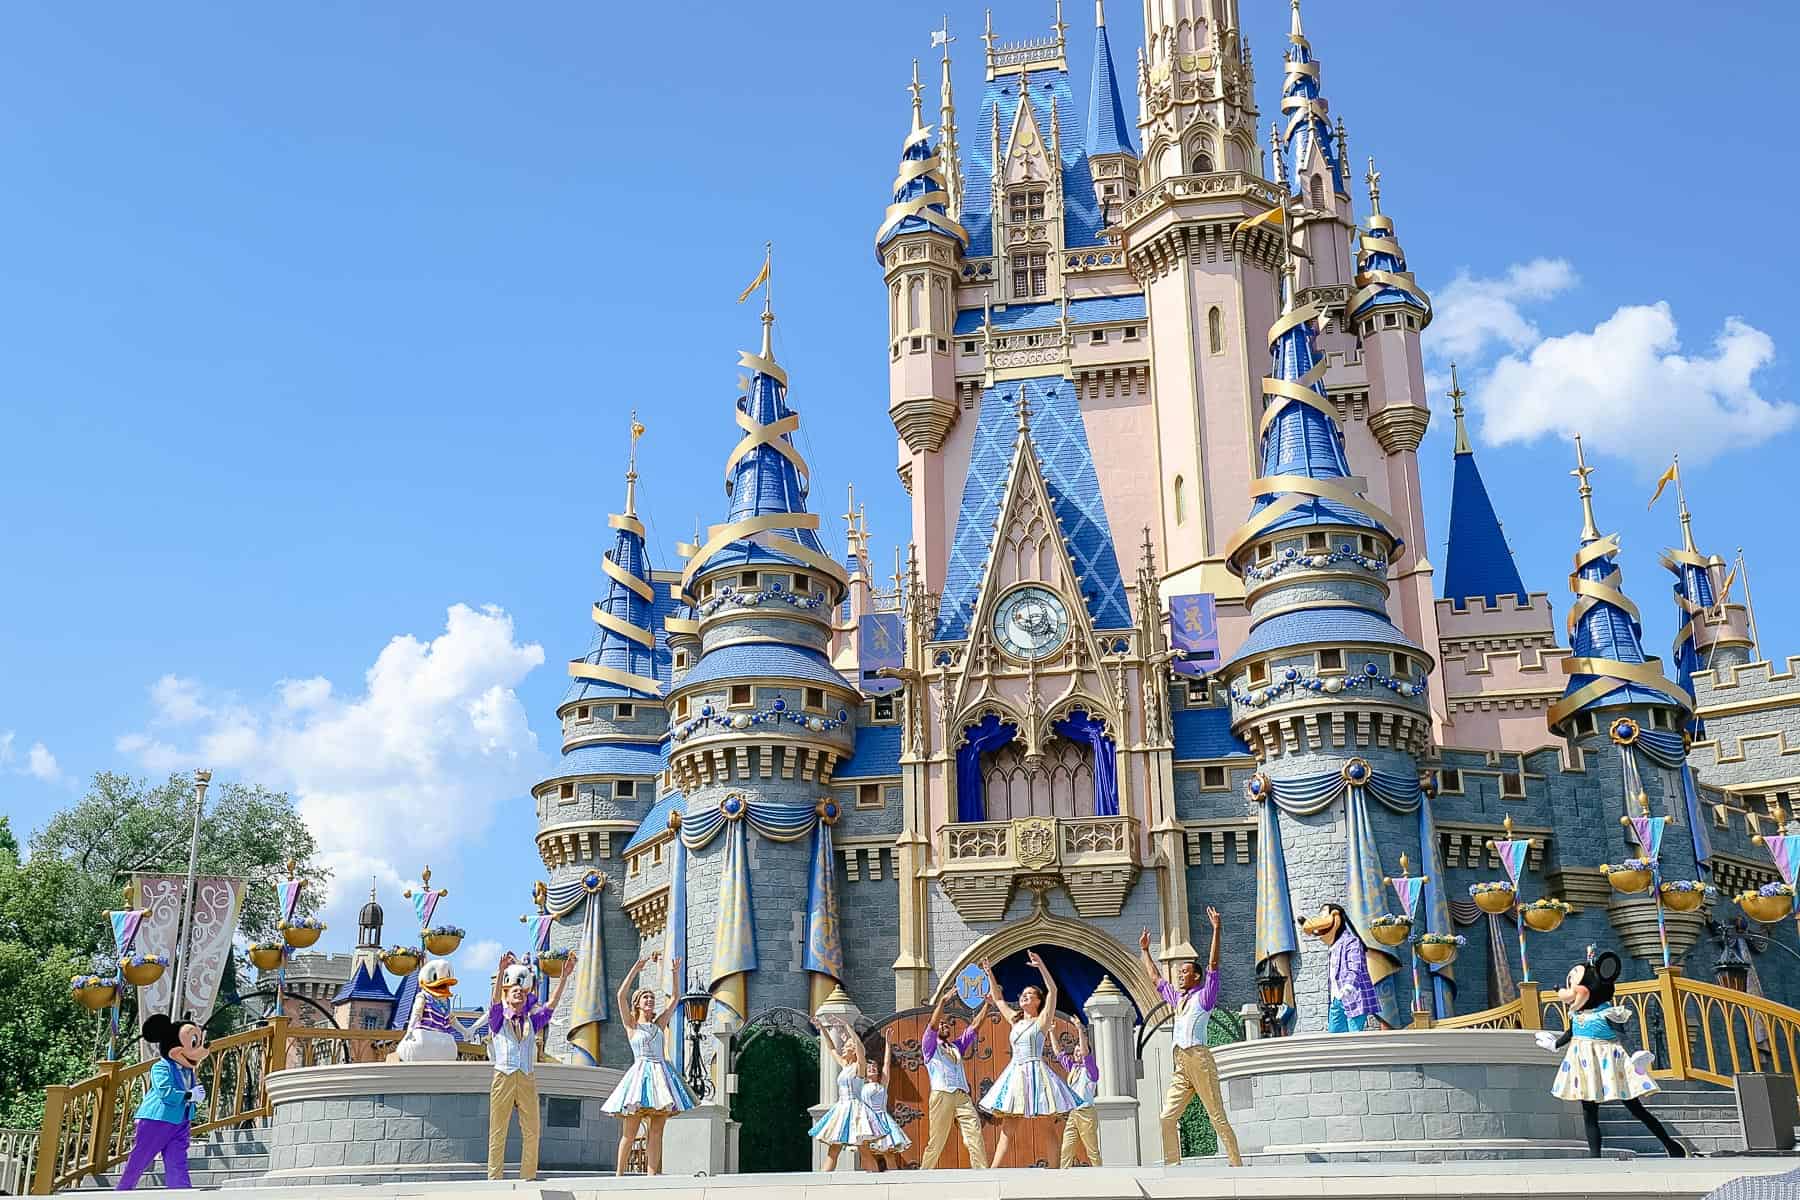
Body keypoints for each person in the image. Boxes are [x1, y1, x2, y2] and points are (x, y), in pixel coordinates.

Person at [1536, 950, 1686, 1158]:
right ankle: (1595, 1156)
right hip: (1585, 1063)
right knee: (1589, 1111)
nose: (1568, 991)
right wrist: (1554, 1044)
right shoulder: (1577, 1015)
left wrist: (1635, 1055)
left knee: (1636, 1108)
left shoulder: (1607, 1013)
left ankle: (1670, 1145)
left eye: (1574, 985)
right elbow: (1570, 1034)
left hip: (1611, 1064)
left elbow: (1622, 1036)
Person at [1140, 907, 1242, 1168]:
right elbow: (1156, 980)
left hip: (1199, 1058)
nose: (1180, 975)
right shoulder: (1179, 999)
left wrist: (1217, 930)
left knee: (1215, 1115)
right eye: (1180, 972)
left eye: (1185, 972)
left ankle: (1236, 1164)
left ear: (1195, 976)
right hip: (1180, 1064)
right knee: (1166, 1117)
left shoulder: (1204, 997)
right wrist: (1144, 952)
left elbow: (1214, 966)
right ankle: (1173, 1166)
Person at [976, 951, 1079, 1168]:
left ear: (1038, 1001)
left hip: (1037, 1073)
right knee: (1008, 1125)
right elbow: (998, 999)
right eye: (1024, 993)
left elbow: (1053, 990)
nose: (1025, 996)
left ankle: (1054, 1170)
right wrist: (989, 974)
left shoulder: (1042, 1021)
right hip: (1016, 1073)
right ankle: (993, 1170)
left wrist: (1041, 965)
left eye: (1031, 994)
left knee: (1047, 1124)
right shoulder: (1015, 1021)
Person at [601, 952, 695, 1176]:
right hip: (639, 1077)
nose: (650, 1001)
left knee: (657, 1130)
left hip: (661, 1077)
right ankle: (619, 1175)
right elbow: (620, 996)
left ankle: (652, 1176)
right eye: (646, 998)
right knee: (630, 1132)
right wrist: (636, 968)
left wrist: (673, 973)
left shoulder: (659, 1023)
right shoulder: (632, 1025)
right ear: (638, 1003)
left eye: (652, 998)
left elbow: (675, 999)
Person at [485, 949, 575, 1181]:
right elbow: (495, 1002)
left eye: (522, 992)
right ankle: (494, 1179)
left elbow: (552, 1004)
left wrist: (564, 978)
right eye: (514, 991)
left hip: (526, 1076)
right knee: (498, 1130)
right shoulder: (498, 1020)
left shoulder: (532, 1021)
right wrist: (501, 971)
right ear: (507, 995)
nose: (519, 994)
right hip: (503, 1076)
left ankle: (529, 1177)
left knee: (532, 1129)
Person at [116, 1015, 209, 1190]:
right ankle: (122, 1191)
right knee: (140, 1158)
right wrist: (190, 1096)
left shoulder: (189, 1072)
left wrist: (197, 1097)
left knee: (177, 1161)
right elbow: (165, 1092)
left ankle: (180, 1192)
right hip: (156, 1120)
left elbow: (189, 1092)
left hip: (180, 1121)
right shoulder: (161, 1067)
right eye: (193, 1043)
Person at [920, 988, 990, 1168]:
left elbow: (974, 1027)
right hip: (942, 1094)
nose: (945, 1026)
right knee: (937, 1140)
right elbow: (933, 1026)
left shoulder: (956, 1046)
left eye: (947, 1024)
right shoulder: (929, 1045)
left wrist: (988, 1005)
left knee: (975, 1133)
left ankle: (982, 1172)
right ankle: (923, 1173)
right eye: (942, 1024)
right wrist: (942, 1001)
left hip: (961, 1095)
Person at [809, 1018, 882, 1171]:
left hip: (855, 1110)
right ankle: (822, 1185)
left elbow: (861, 1048)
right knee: (833, 1149)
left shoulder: (859, 1067)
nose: (843, 1048)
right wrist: (822, 1028)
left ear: (854, 1049)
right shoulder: (845, 1065)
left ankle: (876, 1184)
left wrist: (847, 1026)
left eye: (847, 1046)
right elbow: (831, 1048)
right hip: (841, 1109)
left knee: (864, 1150)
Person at [1055, 1020, 1100, 1168]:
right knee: (1066, 1148)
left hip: (1086, 1113)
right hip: (1074, 1113)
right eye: (1075, 1052)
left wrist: (1080, 1029)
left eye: (1079, 1051)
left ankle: (1101, 1176)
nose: (1077, 1053)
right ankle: (1063, 1176)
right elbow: (1059, 1055)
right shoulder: (1073, 1068)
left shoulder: (1091, 1070)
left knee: (1092, 1150)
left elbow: (1086, 1053)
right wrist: (1050, 1032)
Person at [396, 957, 459, 1062]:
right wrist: (465, 1032)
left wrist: (410, 1029)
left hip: (424, 1039)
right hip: (446, 1044)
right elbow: (452, 1021)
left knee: (404, 1050)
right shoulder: (443, 1002)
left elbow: (417, 1013)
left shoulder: (425, 997)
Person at [861, 1039, 910, 1172]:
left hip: (882, 1120)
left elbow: (887, 1063)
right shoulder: (861, 1085)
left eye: (874, 1068)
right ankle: (871, 1178)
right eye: (869, 1068)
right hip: (868, 1121)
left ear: (878, 1072)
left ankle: (893, 1179)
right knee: (866, 1152)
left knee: (888, 1152)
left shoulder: (882, 1084)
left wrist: (888, 1044)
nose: (872, 1069)